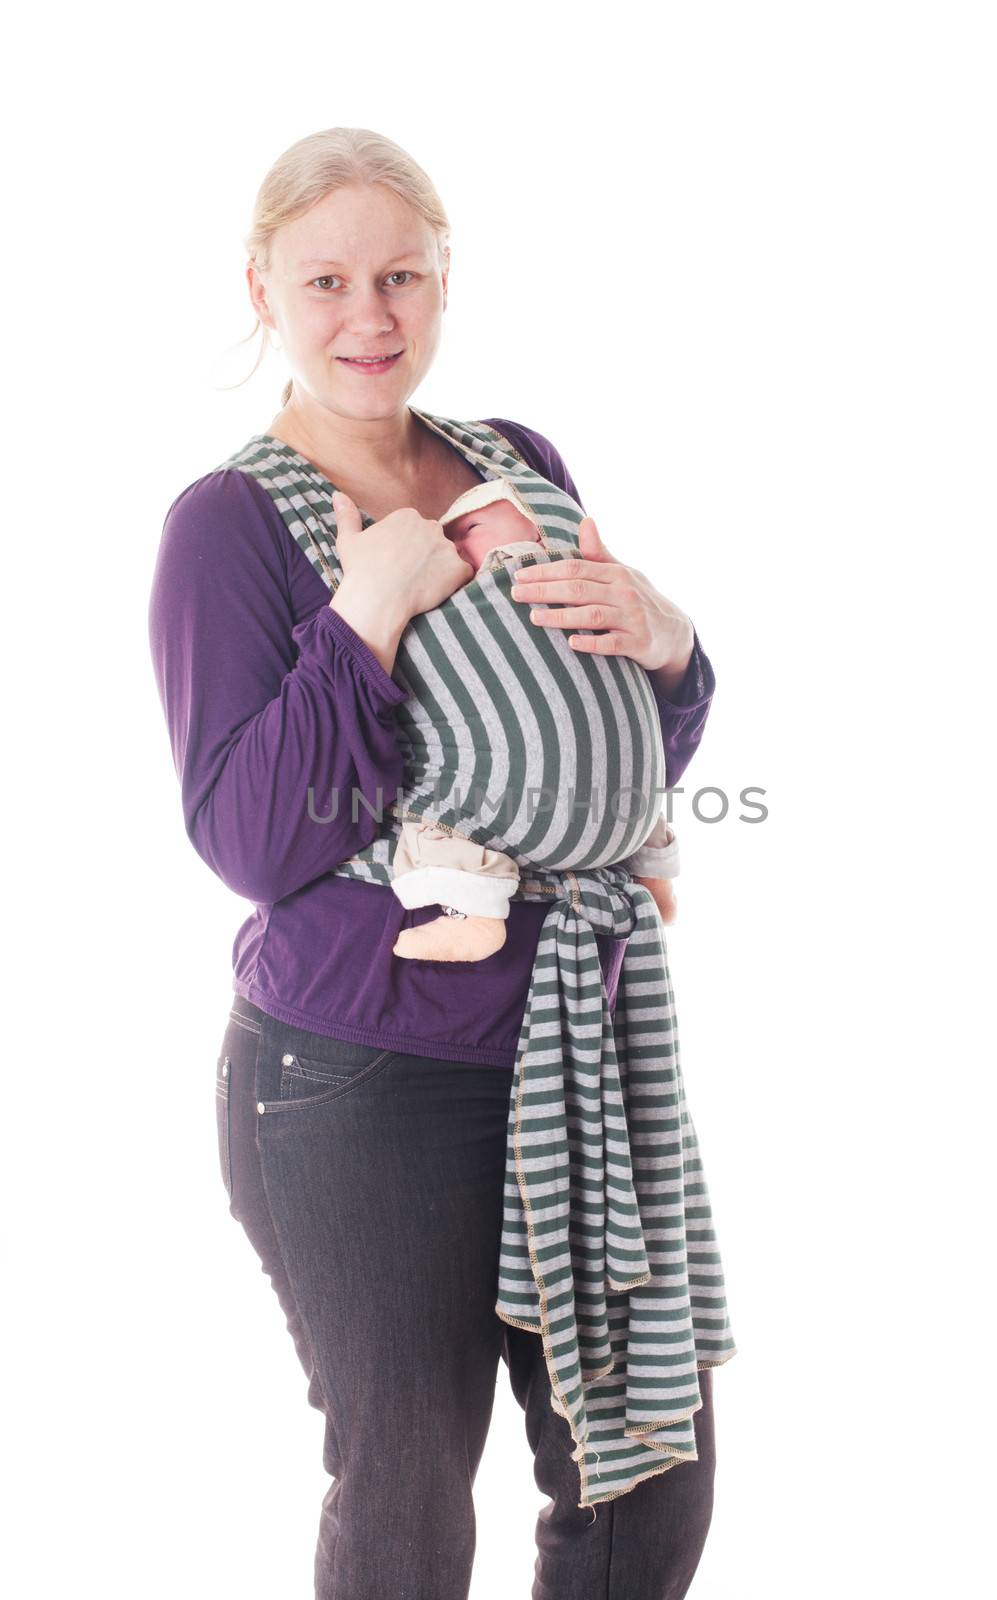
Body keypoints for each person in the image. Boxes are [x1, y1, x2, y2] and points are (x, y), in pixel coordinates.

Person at [148, 126, 733, 1600]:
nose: (370, 316)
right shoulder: (225, 528)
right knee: (408, 1494)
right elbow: (250, 841)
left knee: (647, 1480)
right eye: (328, 278)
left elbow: (580, 752)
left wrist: (668, 649)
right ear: (260, 288)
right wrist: (363, 617)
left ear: (443, 277)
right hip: (356, 1074)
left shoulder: (512, 466)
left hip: (569, 1047)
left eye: (401, 275)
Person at [386, 474, 683, 960]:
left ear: (539, 528)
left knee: (437, 819)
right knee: (640, 796)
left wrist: (676, 648)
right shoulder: (464, 609)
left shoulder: (572, 581)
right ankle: (478, 915)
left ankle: (477, 907)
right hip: (570, 813)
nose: (455, 544)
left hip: (610, 803)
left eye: (471, 528)